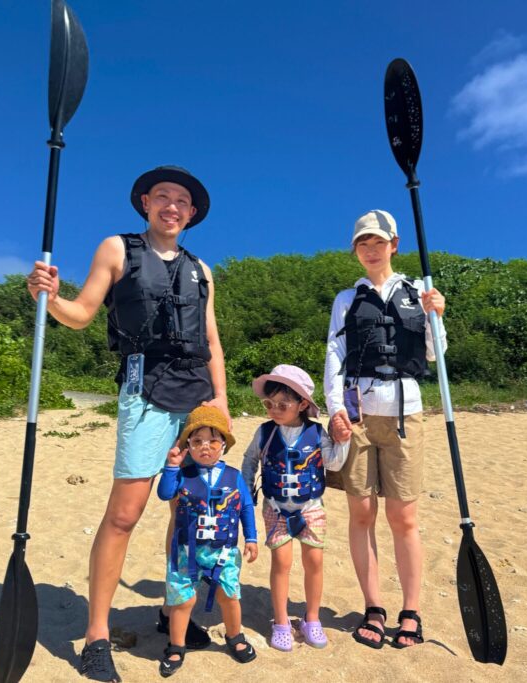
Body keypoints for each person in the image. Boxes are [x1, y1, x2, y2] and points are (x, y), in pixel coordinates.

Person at [26, 166, 229, 681]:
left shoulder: (201, 270)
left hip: (197, 397)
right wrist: (47, 297)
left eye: (182, 201)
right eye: (163, 196)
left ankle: (170, 609)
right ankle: (97, 634)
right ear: (145, 202)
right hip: (144, 391)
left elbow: (210, 338)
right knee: (125, 513)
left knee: (187, 510)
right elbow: (82, 312)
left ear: (192, 214)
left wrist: (221, 399)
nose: (172, 206)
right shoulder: (118, 249)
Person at [323, 209, 446, 650]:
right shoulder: (346, 299)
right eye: (362, 243)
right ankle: (373, 606)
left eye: (378, 241)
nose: (371, 249)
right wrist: (335, 408)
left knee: (403, 517)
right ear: (355, 251)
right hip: (357, 416)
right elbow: (334, 356)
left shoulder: (418, 291)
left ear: (394, 244)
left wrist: (437, 316)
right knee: (361, 514)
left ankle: (410, 610)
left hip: (405, 411)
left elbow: (436, 356)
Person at [239, 365, 348, 652]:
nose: (274, 409)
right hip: (275, 508)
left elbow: (334, 463)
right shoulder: (264, 433)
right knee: (282, 563)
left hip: (311, 507)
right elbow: (250, 460)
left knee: (314, 563)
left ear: (302, 404)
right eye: (269, 404)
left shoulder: (316, 433)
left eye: (283, 404)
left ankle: (312, 618)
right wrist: (247, 490)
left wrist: (344, 441)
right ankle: (281, 622)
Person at [157, 405, 259, 677]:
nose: (205, 446)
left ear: (223, 444)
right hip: (186, 550)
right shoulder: (182, 475)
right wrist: (171, 466)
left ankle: (235, 636)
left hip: (223, 551)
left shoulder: (234, 476)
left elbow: (246, 507)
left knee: (229, 594)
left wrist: (251, 537)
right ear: (188, 445)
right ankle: (176, 645)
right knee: (182, 600)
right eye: (197, 440)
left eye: (213, 440)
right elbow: (165, 493)